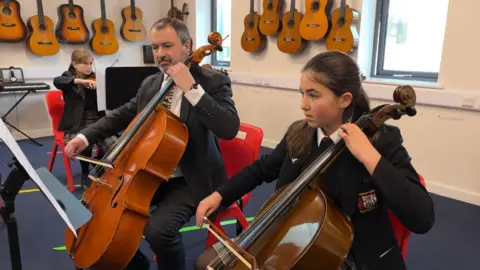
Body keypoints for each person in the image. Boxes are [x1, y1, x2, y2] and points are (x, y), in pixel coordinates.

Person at [194, 51, 435, 270]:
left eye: (313, 95)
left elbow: (422, 217)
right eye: (302, 93)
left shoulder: (381, 141)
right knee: (204, 264)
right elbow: (261, 169)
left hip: (352, 258)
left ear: (344, 100)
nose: (303, 104)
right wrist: (220, 195)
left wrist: (370, 157)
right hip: (291, 246)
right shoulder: (300, 133)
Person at [63, 17, 240, 270]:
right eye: (155, 48)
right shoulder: (151, 83)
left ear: (187, 46)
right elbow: (124, 113)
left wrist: (191, 89)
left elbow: (229, 128)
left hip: (191, 179)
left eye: (167, 46)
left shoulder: (213, 82)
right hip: (149, 173)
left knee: (158, 231)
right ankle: (133, 263)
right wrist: (85, 136)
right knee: (99, 213)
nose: (160, 54)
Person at [53, 49, 118, 189]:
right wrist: (81, 81)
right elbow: (58, 81)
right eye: (85, 63)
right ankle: (84, 172)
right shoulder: (68, 77)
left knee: (115, 146)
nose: (89, 67)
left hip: (98, 120)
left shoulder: (97, 78)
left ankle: (98, 162)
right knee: (85, 145)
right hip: (78, 123)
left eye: (90, 63)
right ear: (75, 64)